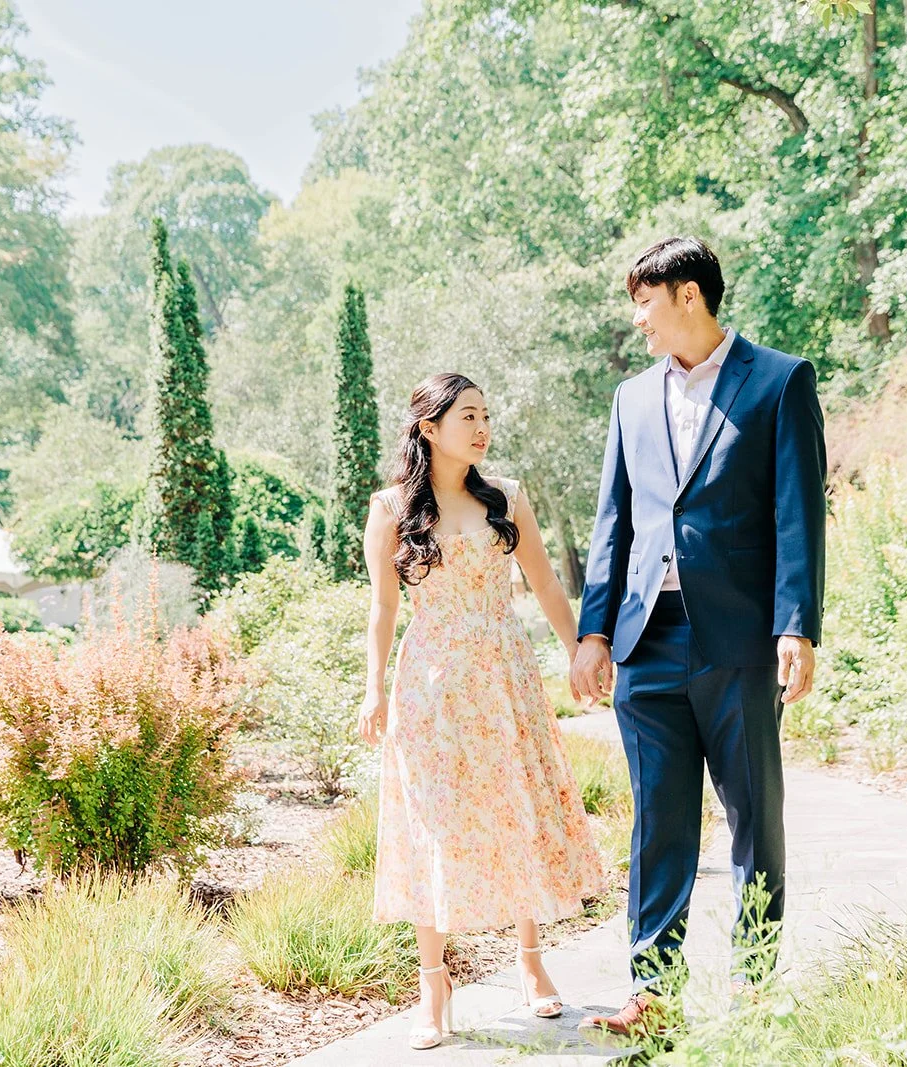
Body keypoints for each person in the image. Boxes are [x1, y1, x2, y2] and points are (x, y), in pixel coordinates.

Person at [569, 237, 827, 1040]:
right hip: (647, 642)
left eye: (644, 302)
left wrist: (797, 623)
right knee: (659, 822)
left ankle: (755, 989)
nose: (637, 320)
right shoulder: (630, 398)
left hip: (739, 640)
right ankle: (655, 992)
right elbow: (614, 519)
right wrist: (594, 629)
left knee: (754, 815)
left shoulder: (780, 382)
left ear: (687, 295)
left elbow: (798, 513)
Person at [361, 372, 606, 1051]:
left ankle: (530, 960)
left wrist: (578, 649)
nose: (481, 427)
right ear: (429, 427)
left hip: (503, 675)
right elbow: (382, 607)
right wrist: (373, 686)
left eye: (485, 415)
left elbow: (546, 581)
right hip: (430, 682)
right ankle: (433, 983)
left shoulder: (507, 498)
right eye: (467, 415)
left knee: (513, 810)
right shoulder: (390, 509)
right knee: (432, 824)